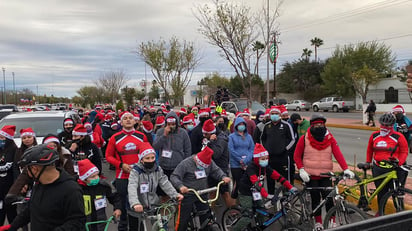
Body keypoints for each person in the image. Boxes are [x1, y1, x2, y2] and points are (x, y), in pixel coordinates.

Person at [294, 114, 354, 230]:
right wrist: (301, 169)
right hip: (310, 175)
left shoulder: (330, 138)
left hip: (326, 174)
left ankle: (331, 221)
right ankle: (318, 223)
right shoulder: (304, 138)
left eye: (321, 124)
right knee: (315, 199)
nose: (319, 126)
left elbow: (338, 153)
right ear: (312, 125)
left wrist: (345, 168)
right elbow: (296, 156)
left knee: (329, 200)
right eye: (316, 124)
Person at [4, 144, 85, 230]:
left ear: (35, 169)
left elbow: (77, 222)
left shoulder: (71, 190)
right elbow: (31, 209)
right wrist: (12, 227)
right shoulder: (39, 183)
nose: (26, 172)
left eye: (27, 168)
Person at [233, 144, 297, 231]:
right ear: (256, 159)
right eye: (263, 159)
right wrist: (266, 195)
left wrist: (290, 187)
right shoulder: (251, 168)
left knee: (262, 211)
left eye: (267, 158)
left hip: (256, 192)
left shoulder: (265, 167)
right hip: (246, 192)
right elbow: (256, 183)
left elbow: (278, 176)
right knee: (248, 215)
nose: (265, 161)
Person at [170, 146, 231, 231]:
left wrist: (223, 177)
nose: (202, 168)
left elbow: (216, 170)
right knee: (183, 220)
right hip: (189, 194)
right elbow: (174, 176)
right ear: (196, 160)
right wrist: (180, 186)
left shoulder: (209, 162)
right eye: (201, 166)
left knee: (207, 219)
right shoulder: (185, 163)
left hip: (202, 193)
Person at [106, 111, 148, 231]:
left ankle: (139, 227)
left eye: (131, 118)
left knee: (139, 206)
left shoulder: (142, 136)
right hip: (122, 177)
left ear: (135, 121)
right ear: (121, 122)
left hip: (139, 176)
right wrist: (121, 165)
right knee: (123, 207)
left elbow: (147, 153)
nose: (128, 120)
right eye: (125, 118)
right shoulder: (115, 138)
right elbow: (108, 156)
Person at [127, 143, 183, 230]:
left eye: (152, 158)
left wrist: (175, 194)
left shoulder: (158, 169)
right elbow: (132, 186)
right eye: (147, 158)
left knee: (160, 226)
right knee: (137, 228)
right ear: (141, 159)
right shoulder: (136, 171)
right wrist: (135, 203)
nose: (150, 160)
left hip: (154, 204)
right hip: (138, 206)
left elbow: (165, 182)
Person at [366, 113, 408, 214]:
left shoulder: (398, 137)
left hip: (394, 168)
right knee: (381, 192)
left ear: (392, 125)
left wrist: (399, 162)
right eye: (383, 125)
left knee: (397, 192)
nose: (385, 127)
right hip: (378, 168)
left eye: (388, 125)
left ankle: (400, 212)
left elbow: (404, 151)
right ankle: (380, 213)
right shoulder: (374, 136)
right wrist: (368, 162)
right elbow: (370, 150)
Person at [77, 159, 121, 231]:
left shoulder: (103, 186)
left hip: (100, 223)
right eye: (92, 177)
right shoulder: (77, 189)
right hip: (83, 225)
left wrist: (117, 208)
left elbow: (114, 197)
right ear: (84, 179)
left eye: (97, 175)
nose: (96, 178)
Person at [261, 106, 295, 193]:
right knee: (270, 178)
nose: (274, 115)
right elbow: (263, 139)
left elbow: (292, 139)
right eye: (272, 114)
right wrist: (266, 149)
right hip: (270, 158)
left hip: (282, 157)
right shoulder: (267, 126)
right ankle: (271, 197)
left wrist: (285, 149)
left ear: (280, 115)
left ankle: (286, 197)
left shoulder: (286, 125)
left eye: (276, 114)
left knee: (284, 179)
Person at [202, 119, 235, 207]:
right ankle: (209, 216)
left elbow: (216, 154)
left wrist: (210, 142)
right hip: (212, 168)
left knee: (225, 193)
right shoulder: (212, 138)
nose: (204, 136)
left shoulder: (221, 140)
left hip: (220, 169)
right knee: (212, 193)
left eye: (206, 134)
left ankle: (233, 213)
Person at [153, 111, 191, 183]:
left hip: (178, 166)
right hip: (164, 165)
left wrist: (184, 163)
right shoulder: (160, 132)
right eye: (169, 124)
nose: (171, 126)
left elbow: (187, 149)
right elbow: (155, 146)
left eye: (173, 124)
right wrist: (164, 135)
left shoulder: (183, 132)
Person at [228, 117, 254, 198]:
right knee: (238, 182)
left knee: (247, 182)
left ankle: (246, 199)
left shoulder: (249, 137)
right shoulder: (231, 137)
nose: (241, 126)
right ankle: (235, 200)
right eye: (239, 125)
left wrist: (247, 159)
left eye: (243, 124)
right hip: (236, 164)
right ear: (236, 126)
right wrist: (240, 160)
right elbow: (231, 150)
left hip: (247, 163)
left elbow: (251, 149)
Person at [0, 126, 17, 227]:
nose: (0, 140)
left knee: (11, 213)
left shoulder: (14, 150)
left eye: (2, 138)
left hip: (10, 187)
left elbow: (15, 169)